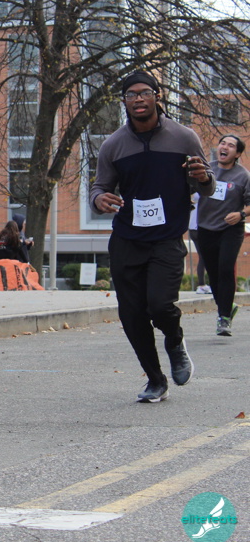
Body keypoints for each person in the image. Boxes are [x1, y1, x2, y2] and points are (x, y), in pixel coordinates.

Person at [91, 70, 213, 403]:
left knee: (159, 305)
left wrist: (204, 177)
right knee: (131, 314)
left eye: (145, 92)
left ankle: (175, 341)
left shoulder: (184, 137)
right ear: (124, 102)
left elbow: (206, 184)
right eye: (131, 95)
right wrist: (99, 199)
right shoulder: (113, 145)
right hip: (127, 238)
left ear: (157, 96)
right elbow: (99, 186)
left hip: (167, 237)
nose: (138, 99)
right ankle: (155, 380)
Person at [195, 134, 250, 336]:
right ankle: (227, 306)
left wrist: (241, 214)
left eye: (231, 145)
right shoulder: (206, 170)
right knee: (214, 274)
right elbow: (189, 188)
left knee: (226, 269)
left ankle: (224, 317)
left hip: (231, 228)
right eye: (222, 143)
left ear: (237, 153)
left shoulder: (243, 176)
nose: (224, 147)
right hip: (205, 228)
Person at [188, 195, 210, 294]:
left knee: (204, 256)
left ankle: (202, 284)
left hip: (194, 226)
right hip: (199, 227)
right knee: (204, 256)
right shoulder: (200, 192)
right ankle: (202, 285)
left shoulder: (194, 192)